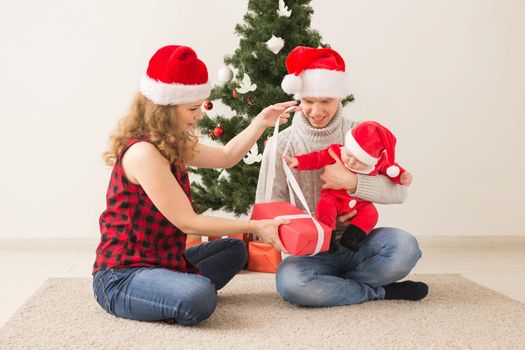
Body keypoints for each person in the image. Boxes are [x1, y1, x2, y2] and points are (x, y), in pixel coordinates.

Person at [93, 44, 299, 325]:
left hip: (165, 260)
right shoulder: (144, 153)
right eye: (192, 108)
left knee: (234, 251)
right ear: (163, 110)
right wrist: (254, 227)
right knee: (200, 296)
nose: (200, 115)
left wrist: (261, 122)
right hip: (121, 276)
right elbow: (188, 223)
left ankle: (167, 289)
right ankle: (170, 293)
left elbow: (226, 157)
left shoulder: (170, 142)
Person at [256, 46, 428, 307]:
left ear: (339, 98)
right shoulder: (282, 145)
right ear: (298, 99)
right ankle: (377, 291)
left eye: (326, 101)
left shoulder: (360, 134)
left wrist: (352, 183)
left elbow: (398, 192)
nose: (316, 111)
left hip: (357, 239)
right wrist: (312, 226)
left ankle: (337, 286)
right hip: (311, 250)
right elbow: (268, 207)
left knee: (405, 247)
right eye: (308, 101)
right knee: (292, 284)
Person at [283, 121, 413, 251]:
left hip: (360, 203)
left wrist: (401, 176)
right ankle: (328, 239)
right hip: (334, 198)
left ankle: (351, 237)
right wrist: (298, 161)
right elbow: (316, 158)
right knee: (325, 208)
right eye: (349, 155)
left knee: (371, 214)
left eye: (359, 161)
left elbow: (392, 169)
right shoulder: (336, 151)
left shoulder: (378, 163)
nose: (351, 161)